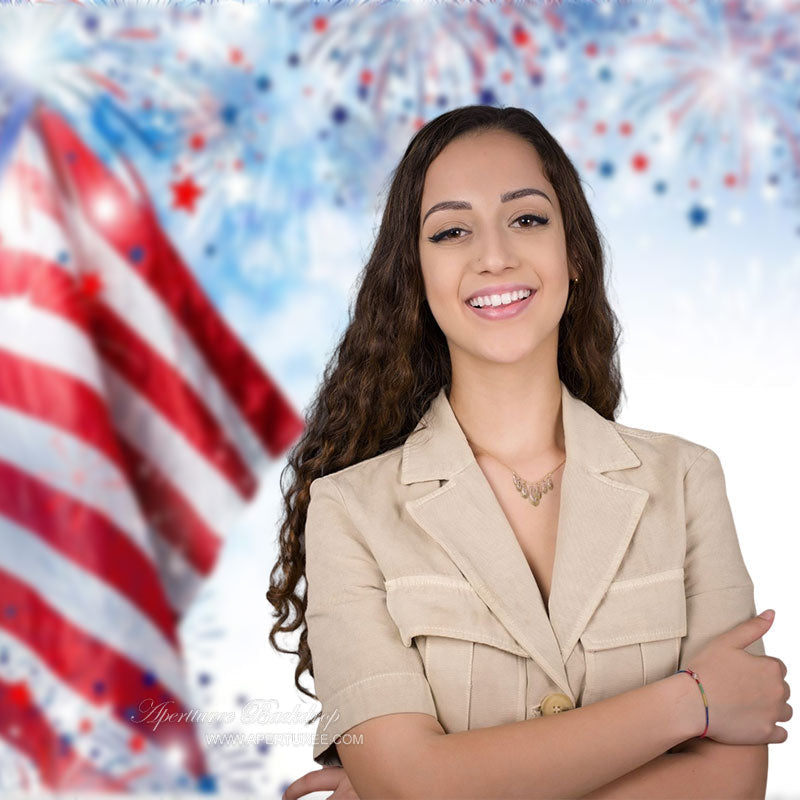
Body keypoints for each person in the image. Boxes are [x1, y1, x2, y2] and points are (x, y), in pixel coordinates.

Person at [267, 105, 791, 799]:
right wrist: (689, 702)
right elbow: (410, 784)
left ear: (572, 251)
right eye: (452, 231)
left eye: (527, 218)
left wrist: (435, 785)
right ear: (415, 276)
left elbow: (731, 784)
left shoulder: (687, 480)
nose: (494, 256)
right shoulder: (348, 512)